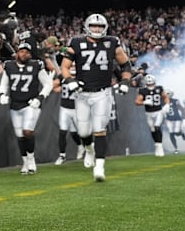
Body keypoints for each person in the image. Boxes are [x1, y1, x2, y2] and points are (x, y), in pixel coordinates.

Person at [60, 13, 133, 182]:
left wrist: (125, 81)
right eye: (94, 26)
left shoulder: (112, 42)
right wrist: (70, 80)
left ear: (105, 28)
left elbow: (126, 64)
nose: (97, 29)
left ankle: (99, 167)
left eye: (100, 26)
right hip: (82, 93)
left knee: (99, 128)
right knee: (84, 131)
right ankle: (89, 149)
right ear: (87, 26)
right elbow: (65, 66)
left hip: (103, 92)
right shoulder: (76, 42)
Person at [0, 43, 53, 174]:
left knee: (27, 131)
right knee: (20, 136)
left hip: (30, 104)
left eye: (27, 52)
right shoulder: (9, 66)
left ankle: (31, 159)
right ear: (17, 52)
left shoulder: (36, 65)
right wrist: (1, 94)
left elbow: (48, 84)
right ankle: (25, 162)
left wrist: (40, 98)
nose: (24, 54)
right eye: (22, 51)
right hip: (15, 104)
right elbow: (3, 84)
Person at [52, 66, 84, 165]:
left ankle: (83, 147)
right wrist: (60, 86)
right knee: (62, 132)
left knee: (79, 132)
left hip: (76, 109)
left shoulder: (81, 79)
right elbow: (55, 89)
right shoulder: (64, 78)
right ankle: (62, 155)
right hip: (64, 108)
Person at [135, 75, 169, 157]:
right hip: (148, 113)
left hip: (158, 111)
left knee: (157, 127)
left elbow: (165, 97)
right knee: (152, 129)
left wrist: (167, 105)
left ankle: (160, 147)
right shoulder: (143, 90)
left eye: (151, 83)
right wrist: (144, 102)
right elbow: (137, 102)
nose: (150, 85)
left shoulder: (159, 88)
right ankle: (157, 145)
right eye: (149, 83)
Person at [163, 89, 185, 154]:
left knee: (176, 132)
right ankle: (176, 149)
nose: (166, 95)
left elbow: (182, 109)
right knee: (171, 134)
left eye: (167, 94)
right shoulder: (162, 101)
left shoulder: (175, 101)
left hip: (177, 119)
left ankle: (181, 133)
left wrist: (184, 120)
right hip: (169, 120)